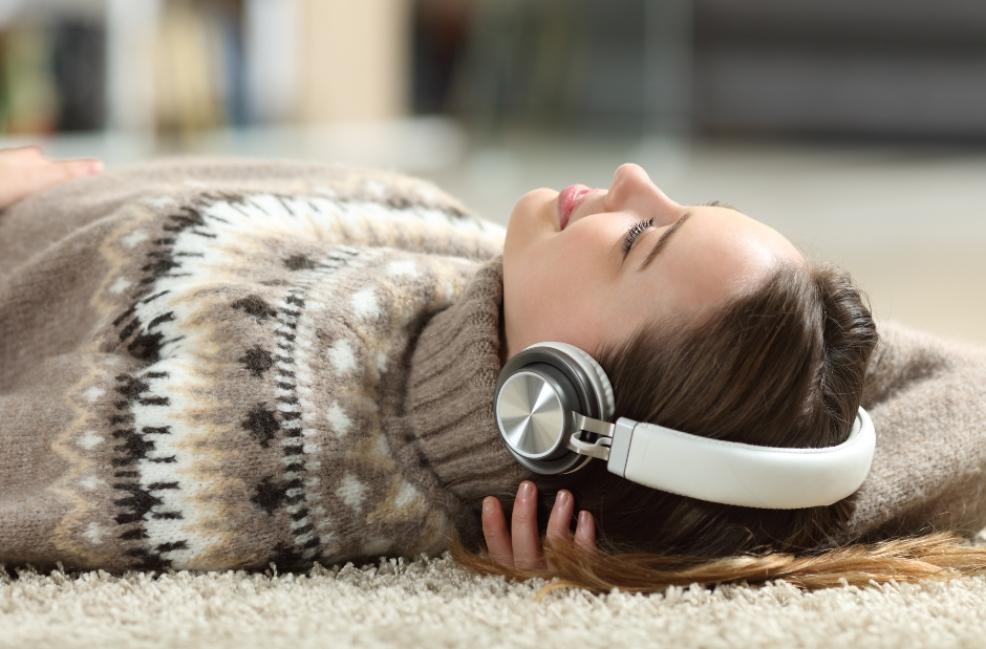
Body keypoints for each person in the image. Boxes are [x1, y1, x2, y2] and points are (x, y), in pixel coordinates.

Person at [1, 147, 985, 595]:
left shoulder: (233, 441)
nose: (633, 178)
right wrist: (766, 502)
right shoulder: (488, 275)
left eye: (639, 236)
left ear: (554, 403)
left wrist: (630, 556)